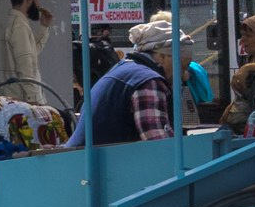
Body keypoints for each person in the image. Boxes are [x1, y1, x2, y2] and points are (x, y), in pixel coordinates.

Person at [74, 11, 183, 145]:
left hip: (86, 158)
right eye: (182, 65)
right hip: (97, 162)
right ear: (162, 57)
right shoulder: (148, 81)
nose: (183, 73)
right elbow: (159, 144)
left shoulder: (126, 68)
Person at [0, 0, 52, 95]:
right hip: (22, 99)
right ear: (29, 0)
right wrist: (35, 101)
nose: (39, 3)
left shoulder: (12, 22)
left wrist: (44, 27)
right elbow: (26, 69)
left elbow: (31, 52)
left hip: (14, 96)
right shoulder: (19, 26)